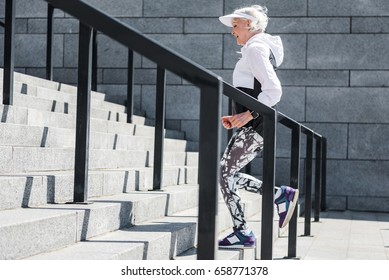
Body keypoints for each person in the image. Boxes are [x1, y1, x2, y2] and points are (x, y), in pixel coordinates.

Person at [217, 5, 299, 248]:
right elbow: (254, 90)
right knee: (225, 173)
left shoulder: (255, 48)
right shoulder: (255, 48)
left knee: (225, 173)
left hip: (258, 123)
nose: (232, 31)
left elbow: (274, 90)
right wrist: (239, 117)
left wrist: (248, 115)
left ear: (249, 25)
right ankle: (277, 197)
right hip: (255, 123)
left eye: (235, 25)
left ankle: (245, 229)